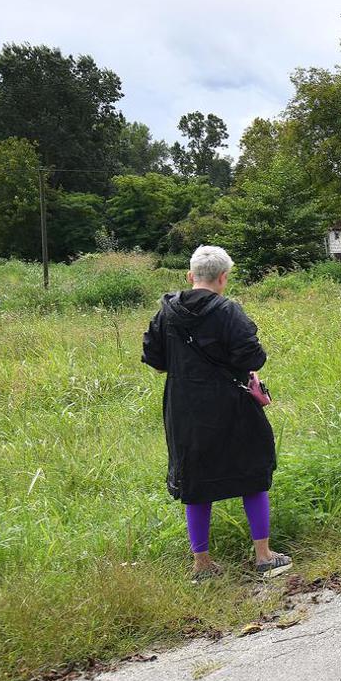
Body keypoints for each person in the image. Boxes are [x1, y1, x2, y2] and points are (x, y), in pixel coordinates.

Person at [141, 245, 289, 580]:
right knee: (252, 472)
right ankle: (264, 557)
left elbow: (154, 359)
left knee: (194, 481)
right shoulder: (228, 311)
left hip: (184, 409)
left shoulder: (166, 312)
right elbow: (252, 358)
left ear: (190, 276)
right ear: (223, 278)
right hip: (231, 404)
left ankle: (202, 566)